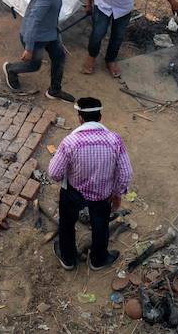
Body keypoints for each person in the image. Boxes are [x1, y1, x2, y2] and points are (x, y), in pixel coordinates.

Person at [48, 97, 132, 271]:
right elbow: (125, 173)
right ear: (100, 116)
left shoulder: (69, 143)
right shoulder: (115, 140)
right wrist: (116, 193)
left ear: (80, 117)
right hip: (102, 195)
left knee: (67, 223)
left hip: (73, 193)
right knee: (100, 225)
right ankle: (98, 259)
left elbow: (54, 173)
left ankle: (68, 258)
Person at [4, 0, 76, 102]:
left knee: (59, 57)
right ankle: (11, 69)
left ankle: (55, 90)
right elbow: (33, 20)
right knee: (33, 65)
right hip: (36, 37)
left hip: (51, 33)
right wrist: (29, 48)